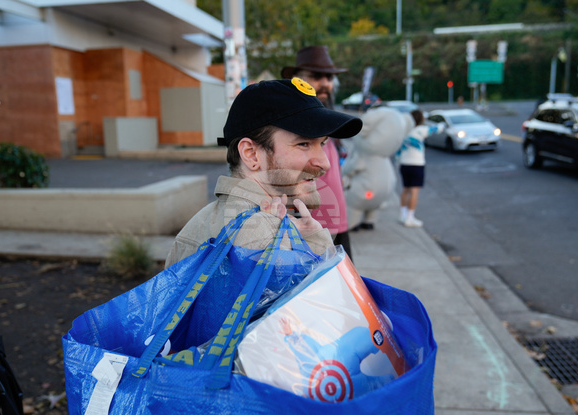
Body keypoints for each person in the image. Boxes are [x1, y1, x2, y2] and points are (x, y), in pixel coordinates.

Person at [164, 78, 363, 268]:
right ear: (251, 154)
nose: (324, 163)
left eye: (322, 143)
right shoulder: (258, 234)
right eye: (304, 144)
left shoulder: (209, 220)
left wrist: (314, 239)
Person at [281, 46, 354, 259]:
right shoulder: (288, 123)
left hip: (337, 224)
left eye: (329, 77)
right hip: (306, 231)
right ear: (296, 79)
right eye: (316, 76)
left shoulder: (328, 121)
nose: (325, 83)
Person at [396, 109, 443, 228]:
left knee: (405, 189)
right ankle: (410, 218)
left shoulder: (403, 131)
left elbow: (398, 151)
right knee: (414, 191)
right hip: (417, 165)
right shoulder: (421, 130)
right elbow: (437, 129)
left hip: (404, 164)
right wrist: (442, 123)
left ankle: (402, 215)